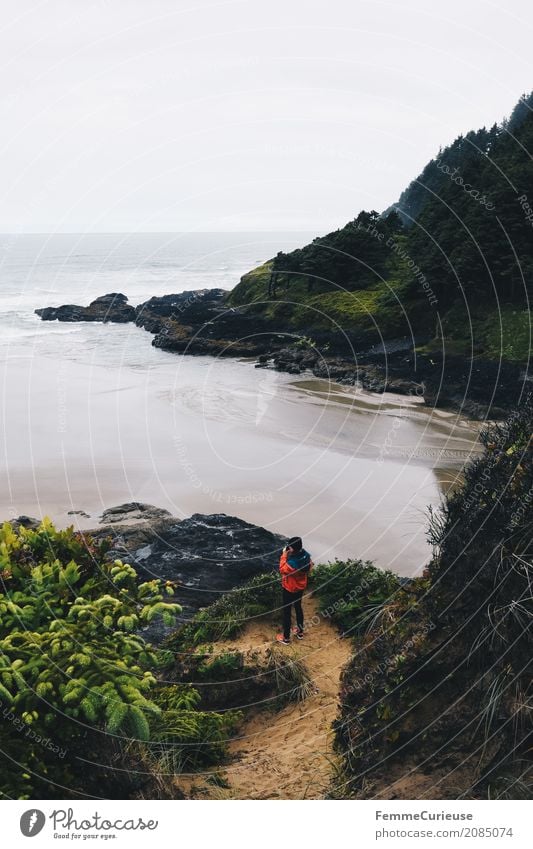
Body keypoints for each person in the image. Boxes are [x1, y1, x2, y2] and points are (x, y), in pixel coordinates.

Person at [276, 536, 313, 645]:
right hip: (300, 587)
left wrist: (284, 555)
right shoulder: (306, 555)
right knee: (298, 607)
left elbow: (282, 569)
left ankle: (286, 638)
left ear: (293, 548)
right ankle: (300, 632)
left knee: (287, 611)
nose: (288, 548)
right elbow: (311, 566)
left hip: (290, 588)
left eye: (290, 547)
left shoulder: (292, 563)